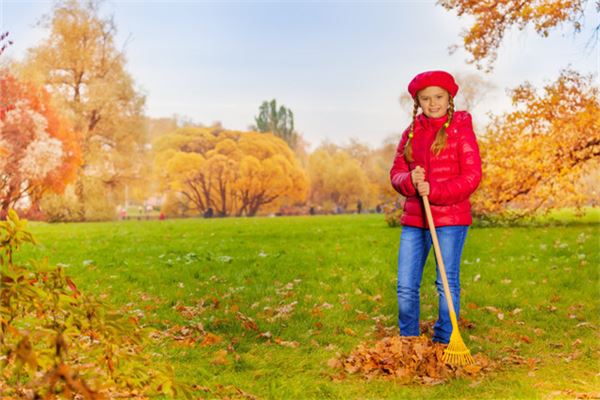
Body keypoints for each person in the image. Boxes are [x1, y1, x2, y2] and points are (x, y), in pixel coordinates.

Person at [389, 70, 482, 344]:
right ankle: (409, 342)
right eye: (425, 98)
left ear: (449, 97)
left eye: (438, 97)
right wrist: (410, 181)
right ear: (417, 101)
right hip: (415, 220)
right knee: (406, 285)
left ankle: (444, 340)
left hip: (451, 219)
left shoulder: (460, 129)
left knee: (446, 282)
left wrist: (436, 190)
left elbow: (472, 176)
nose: (433, 103)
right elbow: (396, 173)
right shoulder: (411, 133)